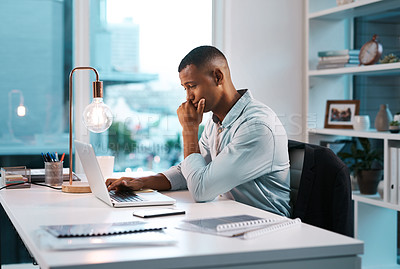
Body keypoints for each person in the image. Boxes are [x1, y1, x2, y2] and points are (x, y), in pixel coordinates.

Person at [106, 45, 291, 217]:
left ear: (217, 77)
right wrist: (142, 182)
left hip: (267, 227)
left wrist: (189, 130)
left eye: (192, 86)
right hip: (230, 218)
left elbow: (201, 189)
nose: (188, 97)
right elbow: (190, 169)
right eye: (185, 88)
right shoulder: (217, 121)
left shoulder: (257, 127)